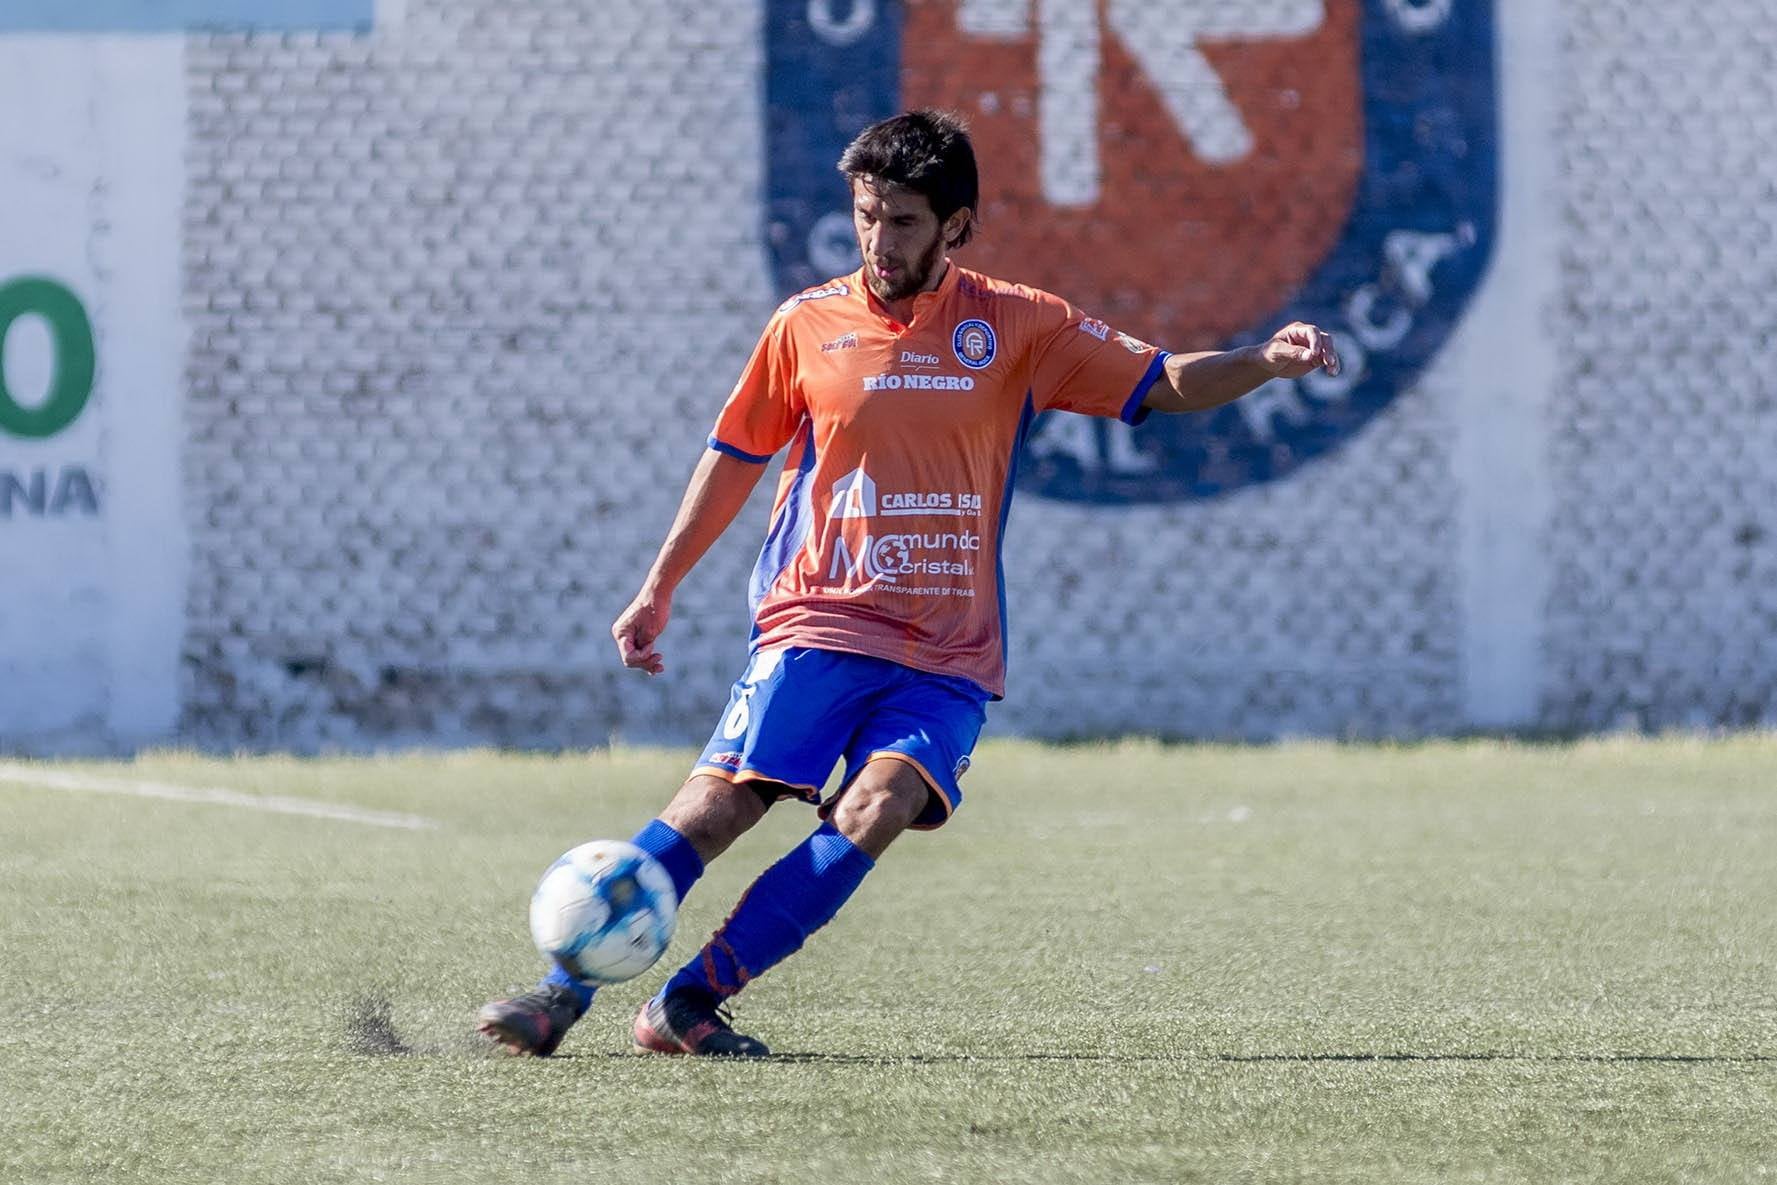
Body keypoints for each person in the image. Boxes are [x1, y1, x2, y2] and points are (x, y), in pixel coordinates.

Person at [476, 109, 1339, 1057]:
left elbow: (1164, 380)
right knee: (718, 805)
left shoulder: (1021, 323)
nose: (878, 241)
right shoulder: (805, 324)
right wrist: (659, 585)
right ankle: (560, 992)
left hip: (947, 653)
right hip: (817, 620)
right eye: (865, 215)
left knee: (876, 807)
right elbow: (733, 457)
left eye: (902, 222)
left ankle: (687, 1002)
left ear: (956, 225)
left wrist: (1264, 360)